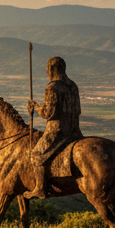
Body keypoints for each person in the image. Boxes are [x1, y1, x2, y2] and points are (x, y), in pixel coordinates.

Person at [24, 56, 84, 199]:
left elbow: (48, 113)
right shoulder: (73, 85)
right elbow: (78, 109)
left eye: (47, 68)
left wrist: (35, 107)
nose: (46, 71)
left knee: (37, 154)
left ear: (52, 69)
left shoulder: (52, 87)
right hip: (74, 130)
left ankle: (40, 188)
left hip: (57, 131)